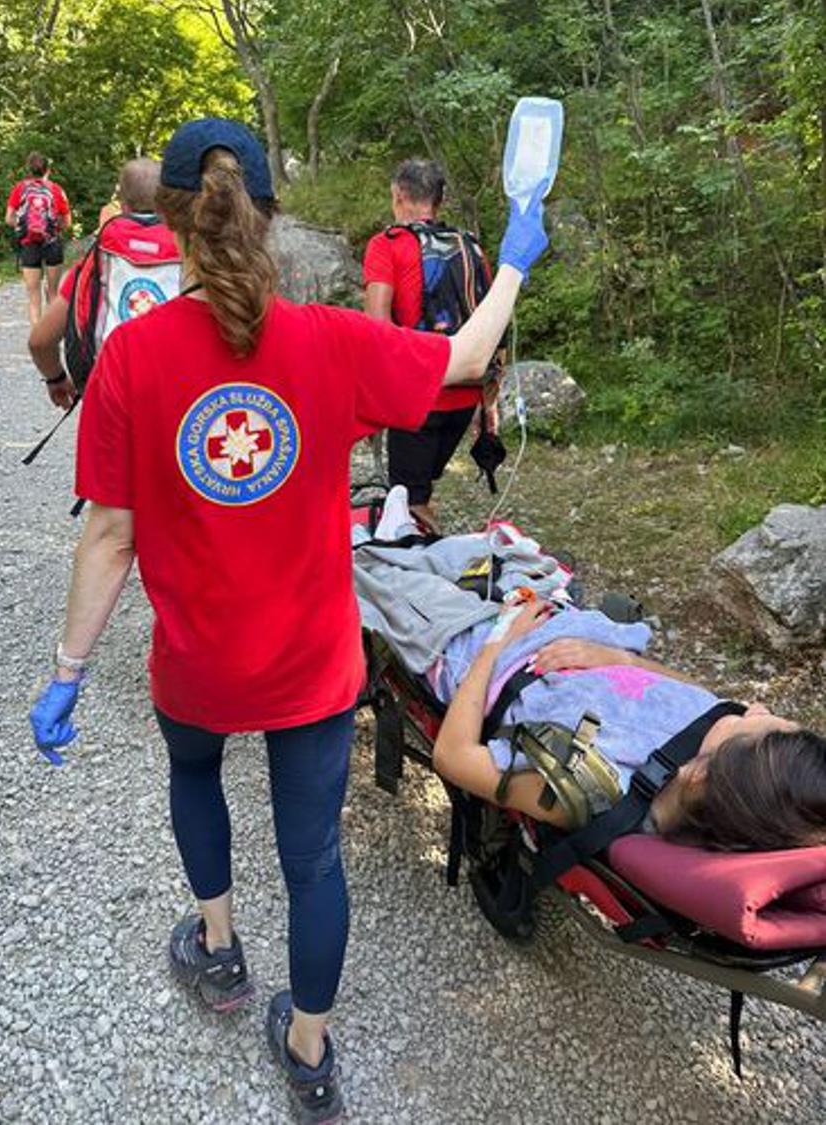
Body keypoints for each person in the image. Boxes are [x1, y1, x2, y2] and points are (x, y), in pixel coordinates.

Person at [28, 116, 550, 1123]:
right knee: (312, 856)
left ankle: (218, 947)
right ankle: (309, 1045)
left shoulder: (132, 358)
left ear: (171, 221)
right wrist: (515, 259)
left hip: (199, 662)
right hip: (311, 663)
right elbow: (461, 356)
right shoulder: (329, 339)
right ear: (267, 215)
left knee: (192, 773)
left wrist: (66, 671)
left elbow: (107, 536)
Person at [432, 596, 826, 852]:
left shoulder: (593, 788)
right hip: (565, 634)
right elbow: (699, 697)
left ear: (697, 776)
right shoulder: (723, 752)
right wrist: (621, 659)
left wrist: (499, 638)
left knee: (405, 572)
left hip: (485, 655)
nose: (756, 707)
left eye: (763, 722)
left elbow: (453, 756)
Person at [363, 159, 492, 531]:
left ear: (399, 195)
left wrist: (377, 397)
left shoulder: (387, 246)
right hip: (466, 395)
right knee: (420, 487)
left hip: (418, 397)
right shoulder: (472, 247)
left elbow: (376, 327)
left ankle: (426, 574)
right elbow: (489, 324)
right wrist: (489, 404)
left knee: (409, 504)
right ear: (440, 200)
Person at [28, 158, 177, 410]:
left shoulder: (96, 261)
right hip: (175, 393)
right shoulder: (195, 258)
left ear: (122, 205)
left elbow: (39, 342)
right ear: (168, 202)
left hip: (109, 391)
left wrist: (56, 378)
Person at [6, 152, 72, 327]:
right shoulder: (57, 190)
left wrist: (23, 227)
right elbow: (67, 223)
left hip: (29, 245)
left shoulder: (20, 188)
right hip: (52, 244)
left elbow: (9, 219)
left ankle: (37, 340)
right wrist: (52, 227)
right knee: (52, 293)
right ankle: (51, 339)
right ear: (47, 170)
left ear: (29, 169)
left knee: (34, 296)